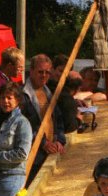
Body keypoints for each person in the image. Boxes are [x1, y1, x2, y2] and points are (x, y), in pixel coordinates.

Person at [21, 56, 75, 184]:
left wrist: (59, 140)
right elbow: (25, 127)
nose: (44, 75)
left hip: (51, 151)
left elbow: (58, 119)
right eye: (40, 72)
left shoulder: (49, 92)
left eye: (47, 72)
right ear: (32, 71)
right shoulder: (23, 95)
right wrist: (43, 143)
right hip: (33, 156)